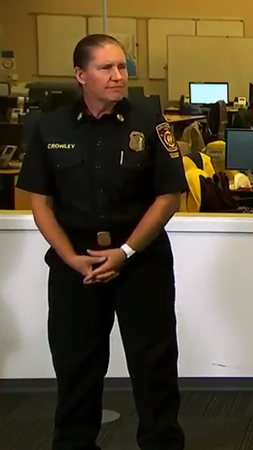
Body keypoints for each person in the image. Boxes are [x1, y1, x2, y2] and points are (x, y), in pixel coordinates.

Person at [16, 34, 187, 450]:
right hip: (76, 267)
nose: (117, 76)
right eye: (105, 68)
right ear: (80, 75)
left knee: (154, 365)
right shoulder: (50, 127)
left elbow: (169, 196)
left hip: (140, 262)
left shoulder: (149, 120)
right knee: (76, 366)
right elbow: (39, 202)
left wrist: (126, 252)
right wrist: (71, 258)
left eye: (121, 67)